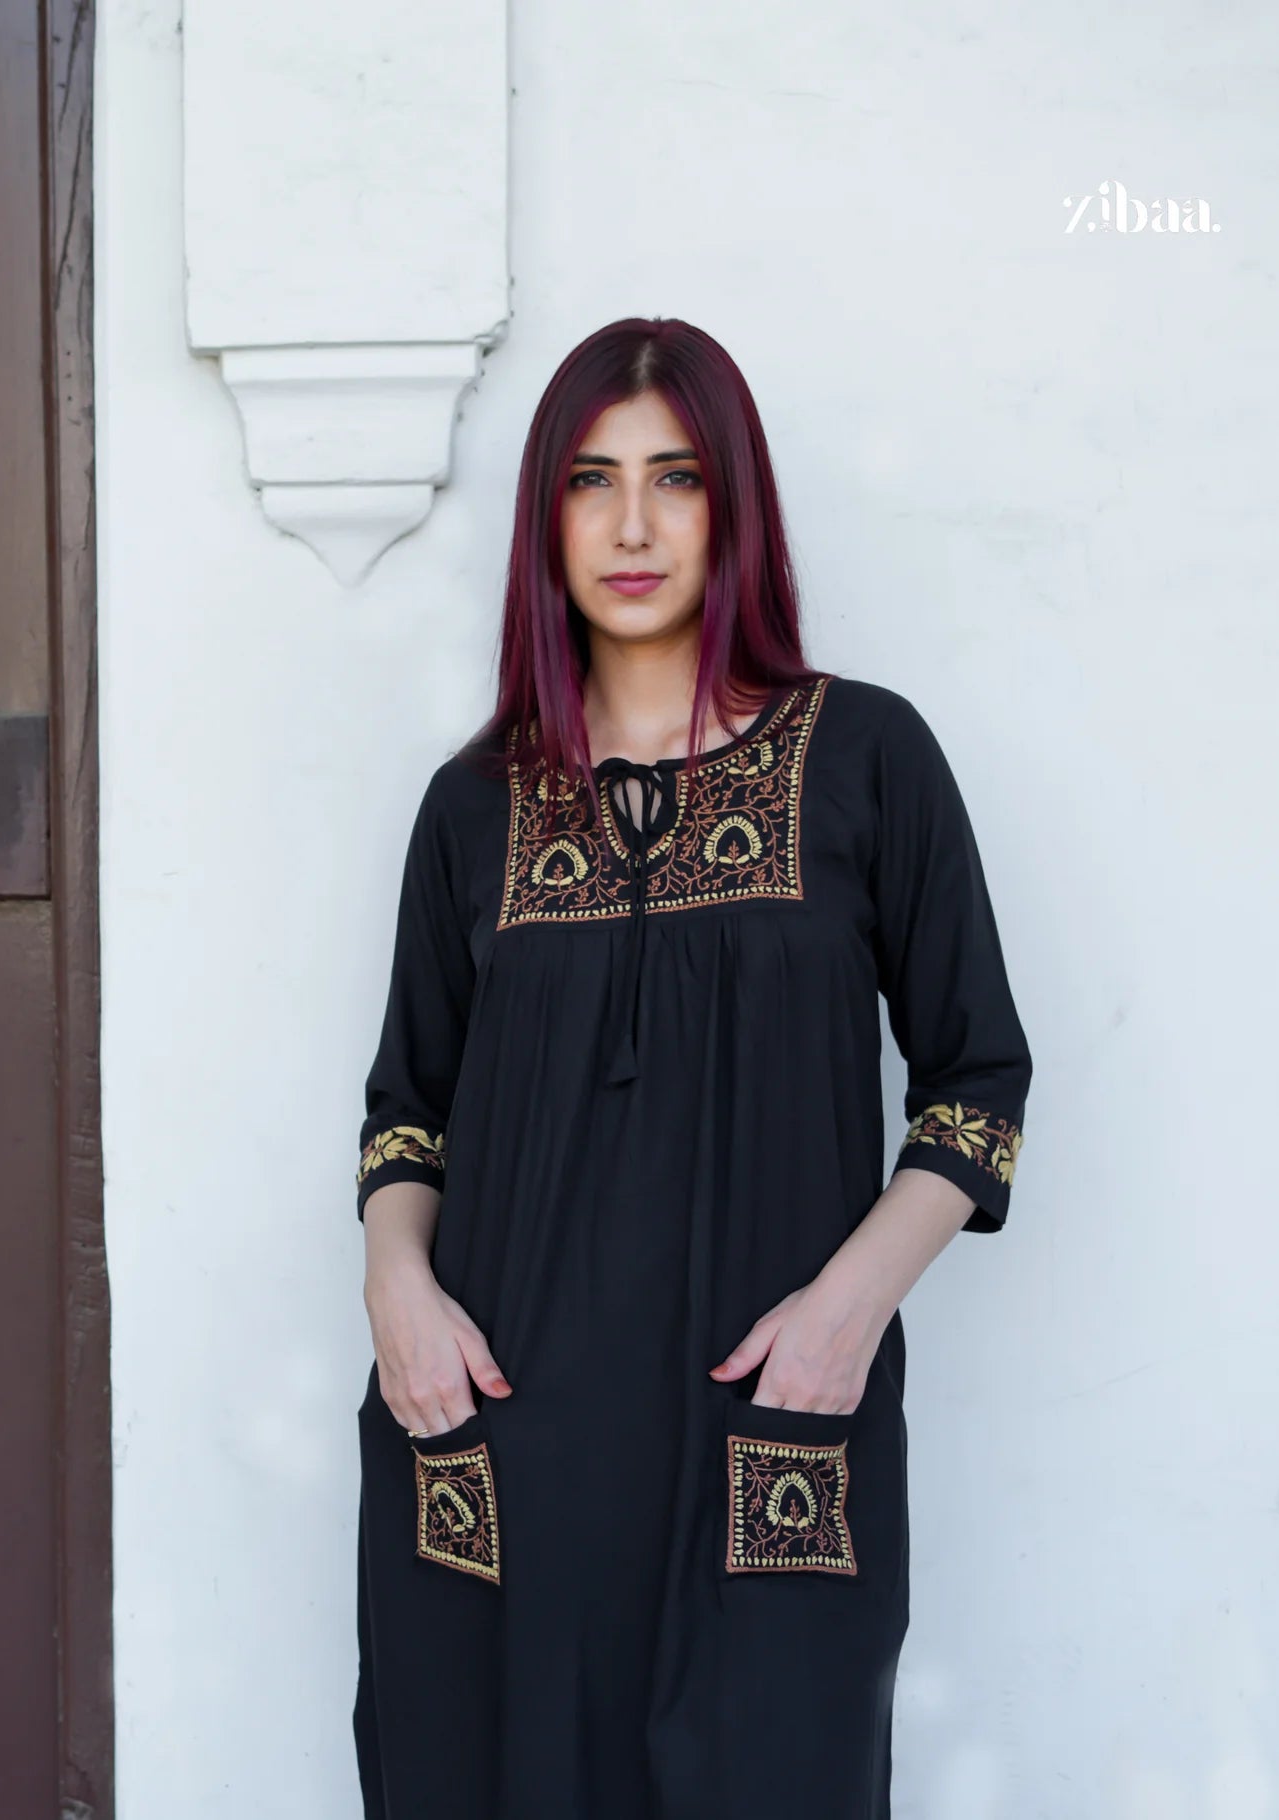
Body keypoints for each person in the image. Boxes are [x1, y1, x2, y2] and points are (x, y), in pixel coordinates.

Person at [351, 316, 1033, 1820]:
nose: (637, 525)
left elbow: (978, 1089)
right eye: (593, 483)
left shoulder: (867, 759)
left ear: (736, 509)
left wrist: (849, 1314)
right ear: (549, 521)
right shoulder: (474, 810)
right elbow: (409, 1118)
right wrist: (398, 1289)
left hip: (768, 1442)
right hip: (500, 1446)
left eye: (677, 479)